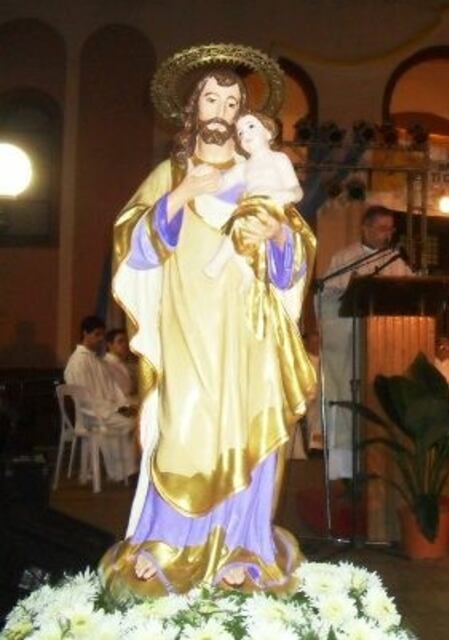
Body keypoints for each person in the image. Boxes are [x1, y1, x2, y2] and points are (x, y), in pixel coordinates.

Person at [102, 55, 317, 597]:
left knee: (247, 431)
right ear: (191, 109)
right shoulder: (168, 175)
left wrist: (277, 237)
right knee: (183, 428)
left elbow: (296, 256)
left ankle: (246, 548)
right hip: (186, 331)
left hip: (249, 334)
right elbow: (133, 251)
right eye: (210, 100)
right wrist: (183, 194)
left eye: (231, 102)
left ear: (244, 115)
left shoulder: (260, 178)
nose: (220, 111)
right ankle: (166, 542)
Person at [320, 206, 412, 481]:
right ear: (366, 228)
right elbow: (325, 296)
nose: (388, 235)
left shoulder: (395, 260)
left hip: (385, 347)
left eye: (391, 229)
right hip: (350, 344)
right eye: (383, 228)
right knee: (349, 397)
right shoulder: (345, 258)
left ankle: (383, 464)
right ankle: (346, 469)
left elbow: (410, 292)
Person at [204, 112, 302, 279]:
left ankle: (219, 262)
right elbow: (221, 184)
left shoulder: (279, 159)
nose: (245, 134)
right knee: (238, 221)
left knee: (245, 219)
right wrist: (205, 175)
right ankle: (241, 269)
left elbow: (297, 191)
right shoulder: (243, 167)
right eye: (240, 132)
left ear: (268, 132)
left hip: (275, 207)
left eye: (250, 126)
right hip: (251, 209)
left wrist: (285, 195)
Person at [64, 316, 138, 484]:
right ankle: (122, 472)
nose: (100, 339)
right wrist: (114, 409)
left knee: (135, 419)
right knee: (129, 423)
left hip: (106, 409)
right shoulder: (77, 362)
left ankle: (129, 470)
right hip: (91, 415)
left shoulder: (96, 360)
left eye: (102, 335)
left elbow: (112, 389)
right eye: (96, 335)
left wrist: (123, 406)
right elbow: (86, 399)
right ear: (85, 333)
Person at [104, 328, 138, 404]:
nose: (125, 345)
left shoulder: (121, 363)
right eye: (120, 341)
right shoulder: (106, 364)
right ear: (110, 345)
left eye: (126, 341)